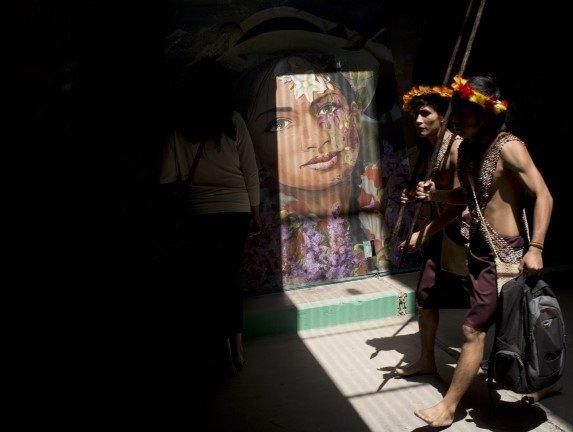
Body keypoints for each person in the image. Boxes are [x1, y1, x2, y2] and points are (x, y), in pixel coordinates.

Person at [218, 12, 400, 290]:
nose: (316, 139)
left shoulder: (391, 195)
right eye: (278, 123)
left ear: (353, 112)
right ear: (249, 142)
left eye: (328, 108)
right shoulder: (259, 240)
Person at [412, 75, 556, 427]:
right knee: (506, 330)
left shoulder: (510, 147)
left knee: (475, 330)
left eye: (464, 112)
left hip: (506, 256)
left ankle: (449, 406)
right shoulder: (467, 150)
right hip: (478, 251)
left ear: (486, 113)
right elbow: (467, 197)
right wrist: (435, 196)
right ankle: (543, 381)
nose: (457, 119)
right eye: (457, 112)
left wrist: (535, 247)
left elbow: (544, 195)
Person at [159, 59, 261, 375]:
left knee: (208, 282)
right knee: (230, 279)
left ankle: (218, 350)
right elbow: (250, 169)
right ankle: (238, 349)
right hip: (237, 211)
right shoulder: (234, 122)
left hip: (200, 213)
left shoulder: (180, 128)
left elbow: (167, 176)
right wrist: (255, 210)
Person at [394, 84, 470, 378]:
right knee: (426, 296)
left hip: (463, 237)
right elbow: (431, 192)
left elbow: (460, 202)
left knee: (483, 303)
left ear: (443, 116)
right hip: (439, 234)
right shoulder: (431, 149)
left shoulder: (457, 149)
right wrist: (413, 195)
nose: (418, 120)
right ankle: (427, 360)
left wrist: (423, 232)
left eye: (425, 113)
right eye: (416, 114)